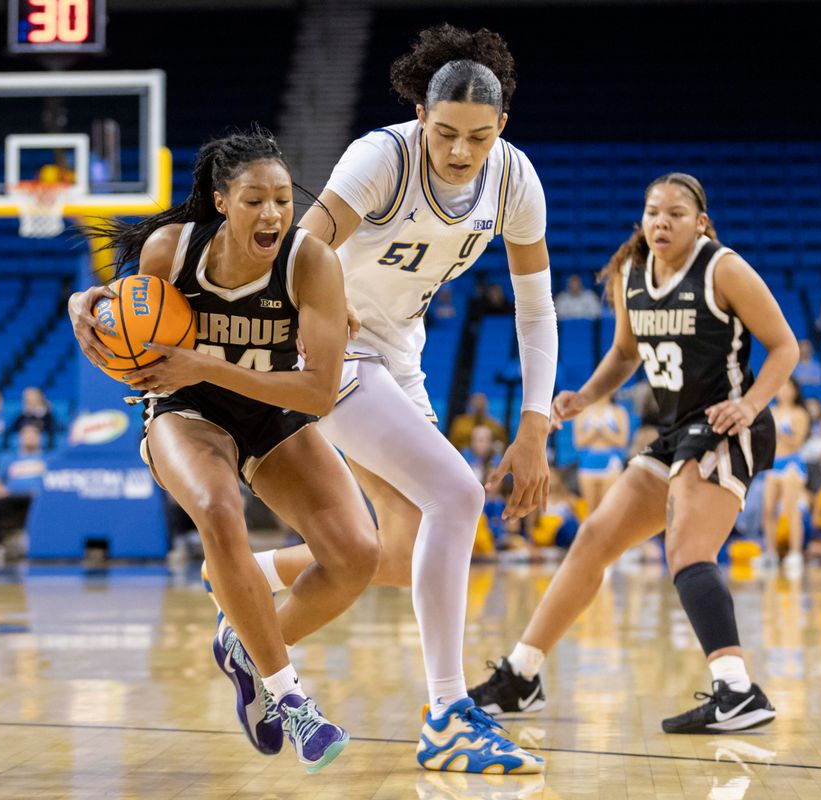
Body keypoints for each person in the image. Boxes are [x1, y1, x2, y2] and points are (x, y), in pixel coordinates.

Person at [221, 26, 551, 773]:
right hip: (331, 345)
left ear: (501, 126)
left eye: (476, 136)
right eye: (444, 134)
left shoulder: (515, 179)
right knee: (458, 496)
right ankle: (447, 715)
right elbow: (304, 242)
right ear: (420, 116)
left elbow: (536, 310)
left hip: (400, 352)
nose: (460, 151)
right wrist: (315, 305)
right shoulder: (383, 156)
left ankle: (248, 604)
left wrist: (534, 425)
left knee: (401, 551)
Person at [70, 129, 381, 773]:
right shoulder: (171, 251)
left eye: (281, 201)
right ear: (220, 201)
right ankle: (290, 699)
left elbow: (320, 393)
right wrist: (87, 306)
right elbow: (124, 315)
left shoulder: (310, 262)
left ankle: (244, 646)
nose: (271, 214)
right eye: (252, 201)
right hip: (185, 411)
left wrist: (204, 366)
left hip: (271, 403)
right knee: (216, 507)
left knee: (357, 555)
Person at [468, 173, 796, 735]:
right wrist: (583, 397)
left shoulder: (724, 268)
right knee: (595, 539)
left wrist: (751, 406)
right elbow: (625, 353)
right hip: (675, 429)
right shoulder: (630, 275)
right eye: (653, 212)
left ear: (702, 222)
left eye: (675, 213)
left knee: (688, 551)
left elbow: (786, 346)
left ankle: (738, 690)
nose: (662, 222)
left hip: (724, 421)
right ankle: (521, 677)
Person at [762, 379, 809, 569]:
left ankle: (795, 551)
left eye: (788, 387)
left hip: (791, 464)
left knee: (791, 509)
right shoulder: (771, 411)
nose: (783, 391)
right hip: (774, 463)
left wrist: (779, 432)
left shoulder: (799, 413)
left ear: (795, 391)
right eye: (781, 386)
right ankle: (771, 552)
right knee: (768, 509)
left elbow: (797, 442)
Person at [0, 424, 46, 563]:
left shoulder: (46, 459)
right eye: (26, 435)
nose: (29, 438)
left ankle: (33, 542)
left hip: (36, 498)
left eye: (33, 435)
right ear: (20, 438)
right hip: (12, 497)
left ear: (39, 438)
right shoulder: (10, 459)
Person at [571, 392, 628, 517]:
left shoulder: (618, 411)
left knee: (608, 510)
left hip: (610, 462)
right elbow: (578, 442)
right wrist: (594, 431)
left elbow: (622, 442)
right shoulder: (583, 412)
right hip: (588, 462)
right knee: (590, 511)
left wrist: (603, 431)